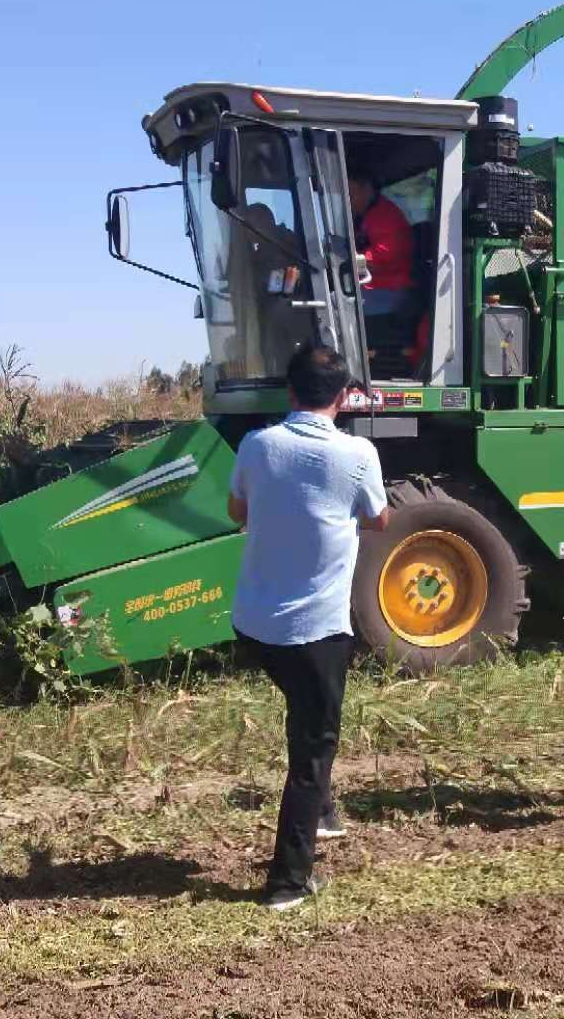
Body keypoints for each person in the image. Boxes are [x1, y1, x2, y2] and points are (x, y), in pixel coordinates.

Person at [227, 344, 390, 910]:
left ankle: (321, 808)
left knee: (303, 713)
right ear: (345, 398)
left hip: (254, 627)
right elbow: (379, 518)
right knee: (311, 754)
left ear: (289, 392)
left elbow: (237, 511)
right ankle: (288, 883)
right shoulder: (358, 454)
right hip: (318, 632)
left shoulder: (256, 445)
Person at [347, 168, 419, 353]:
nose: (348, 200)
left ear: (366, 189)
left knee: (335, 308)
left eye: (351, 194)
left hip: (389, 290)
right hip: (371, 287)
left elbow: (385, 255)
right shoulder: (365, 215)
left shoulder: (386, 216)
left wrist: (349, 260)